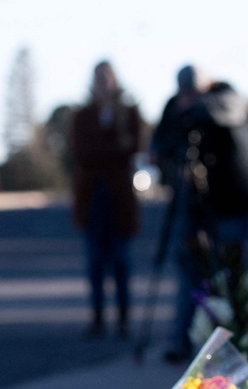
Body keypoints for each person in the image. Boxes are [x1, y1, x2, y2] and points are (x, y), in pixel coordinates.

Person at [155, 68, 248, 363]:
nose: (189, 98)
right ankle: (182, 339)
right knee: (190, 269)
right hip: (191, 202)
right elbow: (159, 143)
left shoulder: (227, 95)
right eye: (183, 93)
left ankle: (239, 341)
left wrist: (193, 109)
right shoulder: (176, 108)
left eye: (194, 91)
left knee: (231, 273)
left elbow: (227, 111)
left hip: (230, 199)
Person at [70, 61, 142, 339]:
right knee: (95, 262)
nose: (103, 84)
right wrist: (111, 149)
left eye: (106, 78)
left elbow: (132, 148)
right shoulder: (83, 115)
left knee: (122, 261)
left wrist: (107, 147)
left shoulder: (128, 114)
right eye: (98, 79)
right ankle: (98, 318)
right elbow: (81, 152)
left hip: (119, 200)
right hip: (93, 199)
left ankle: (124, 318)